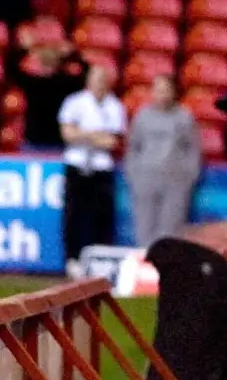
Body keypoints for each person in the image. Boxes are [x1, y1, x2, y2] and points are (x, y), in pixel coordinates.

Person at [57, 64, 126, 273]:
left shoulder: (115, 106)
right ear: (89, 81)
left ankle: (99, 262)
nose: (99, 84)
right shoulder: (74, 102)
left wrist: (83, 133)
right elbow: (67, 134)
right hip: (76, 165)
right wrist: (96, 135)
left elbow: (112, 142)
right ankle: (72, 260)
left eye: (103, 80)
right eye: (96, 79)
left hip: (101, 167)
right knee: (73, 214)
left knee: (101, 217)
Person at [125, 74, 201, 247]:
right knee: (144, 228)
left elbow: (193, 149)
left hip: (176, 181)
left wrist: (189, 177)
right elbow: (133, 148)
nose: (162, 94)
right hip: (145, 180)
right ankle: (144, 266)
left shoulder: (184, 117)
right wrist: (133, 175)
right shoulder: (142, 116)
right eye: (158, 90)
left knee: (171, 231)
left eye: (166, 90)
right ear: (152, 92)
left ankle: (167, 270)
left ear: (173, 92)